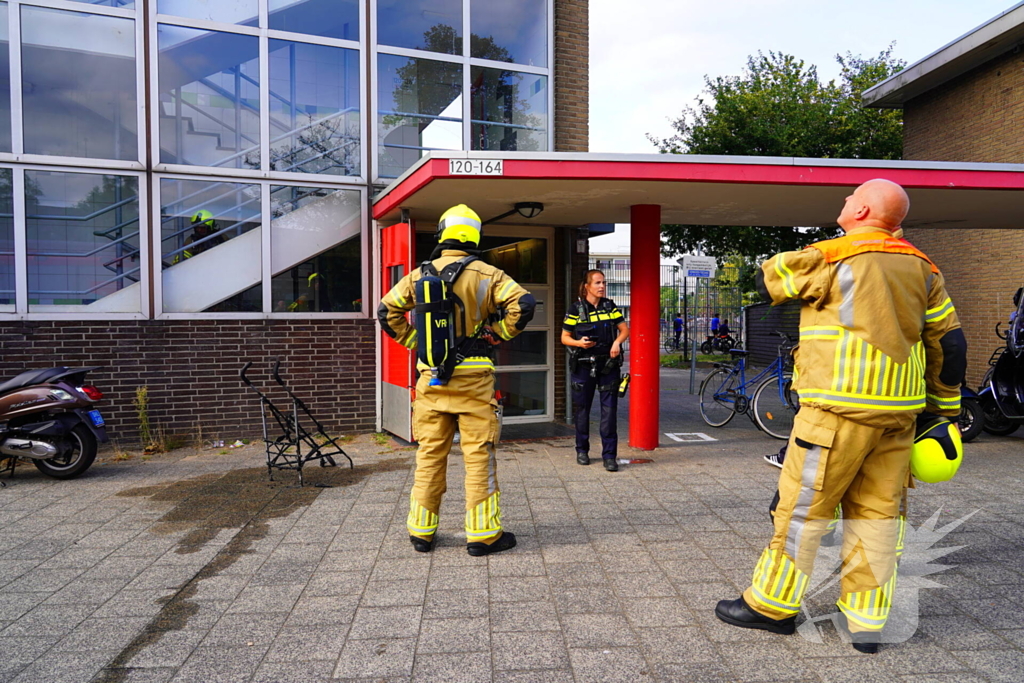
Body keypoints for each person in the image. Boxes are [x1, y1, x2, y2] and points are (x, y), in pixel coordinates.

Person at [715, 179, 966, 653]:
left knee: (802, 512)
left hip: (835, 413)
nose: (844, 202)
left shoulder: (831, 255)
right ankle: (866, 621)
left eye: (850, 197)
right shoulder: (926, 270)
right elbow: (949, 344)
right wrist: (943, 411)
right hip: (898, 417)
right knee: (878, 515)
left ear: (865, 208)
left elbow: (767, 279)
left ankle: (771, 607)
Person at [377, 204, 535, 556]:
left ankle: (421, 532)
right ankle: (483, 536)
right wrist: (498, 333)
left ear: (443, 233)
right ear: (474, 235)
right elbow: (524, 303)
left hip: (431, 380)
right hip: (475, 379)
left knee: (430, 455)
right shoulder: (488, 274)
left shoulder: (419, 275)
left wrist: (417, 344)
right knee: (478, 456)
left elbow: (386, 311)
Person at [561, 269, 630, 471]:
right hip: (583, 365)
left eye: (604, 283)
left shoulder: (610, 306)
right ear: (587, 287)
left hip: (608, 365)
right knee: (582, 410)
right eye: (598, 283)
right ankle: (582, 451)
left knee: (609, 412)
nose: (602, 286)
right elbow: (564, 337)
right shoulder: (575, 308)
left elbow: (624, 329)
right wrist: (578, 343)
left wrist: (617, 343)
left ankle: (610, 456)